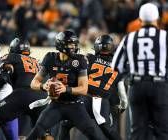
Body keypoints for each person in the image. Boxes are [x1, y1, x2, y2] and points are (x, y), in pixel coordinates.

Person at [27, 30, 107, 140]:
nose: (74, 47)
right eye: (71, 44)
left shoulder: (79, 60)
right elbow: (34, 83)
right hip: (56, 105)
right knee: (36, 132)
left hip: (75, 105)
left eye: (75, 44)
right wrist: (43, 86)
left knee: (94, 135)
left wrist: (66, 89)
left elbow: (84, 89)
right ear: (61, 44)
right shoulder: (50, 58)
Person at [111, 3, 168, 140]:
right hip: (159, 86)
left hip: (136, 86)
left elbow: (116, 67)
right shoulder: (165, 36)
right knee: (163, 131)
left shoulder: (129, 38)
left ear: (140, 20)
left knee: (138, 132)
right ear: (157, 19)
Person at [58, 35, 128, 140]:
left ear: (97, 47)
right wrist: (122, 106)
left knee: (66, 124)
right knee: (108, 129)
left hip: (84, 98)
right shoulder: (117, 66)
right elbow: (122, 94)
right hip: (102, 102)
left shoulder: (89, 58)